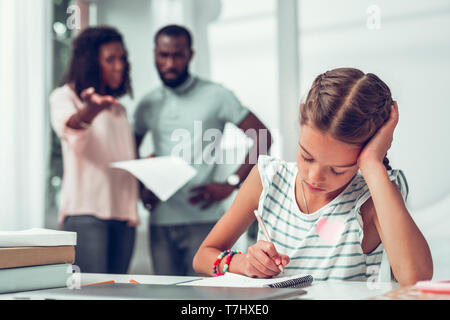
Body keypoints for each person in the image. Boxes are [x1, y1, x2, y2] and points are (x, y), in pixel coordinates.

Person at [193, 67, 433, 286]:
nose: (314, 177)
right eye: (306, 157)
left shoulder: (373, 195)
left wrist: (373, 163)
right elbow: (204, 256)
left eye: (338, 169)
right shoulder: (269, 178)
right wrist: (244, 263)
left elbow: (416, 278)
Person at [133, 25, 272, 276]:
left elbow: (262, 136)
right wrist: (141, 187)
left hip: (205, 222)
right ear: (154, 54)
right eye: (163, 55)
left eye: (177, 55)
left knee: (203, 297)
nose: (170, 63)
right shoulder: (147, 103)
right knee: (164, 297)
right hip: (161, 222)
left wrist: (231, 183)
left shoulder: (216, 95)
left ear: (190, 55)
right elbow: (128, 146)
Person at [50, 26, 138, 274]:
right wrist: (91, 110)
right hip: (86, 215)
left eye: (122, 58)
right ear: (90, 61)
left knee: (116, 294)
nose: (119, 65)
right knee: (89, 293)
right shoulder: (65, 97)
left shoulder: (118, 109)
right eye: (110, 59)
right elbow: (71, 127)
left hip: (123, 216)